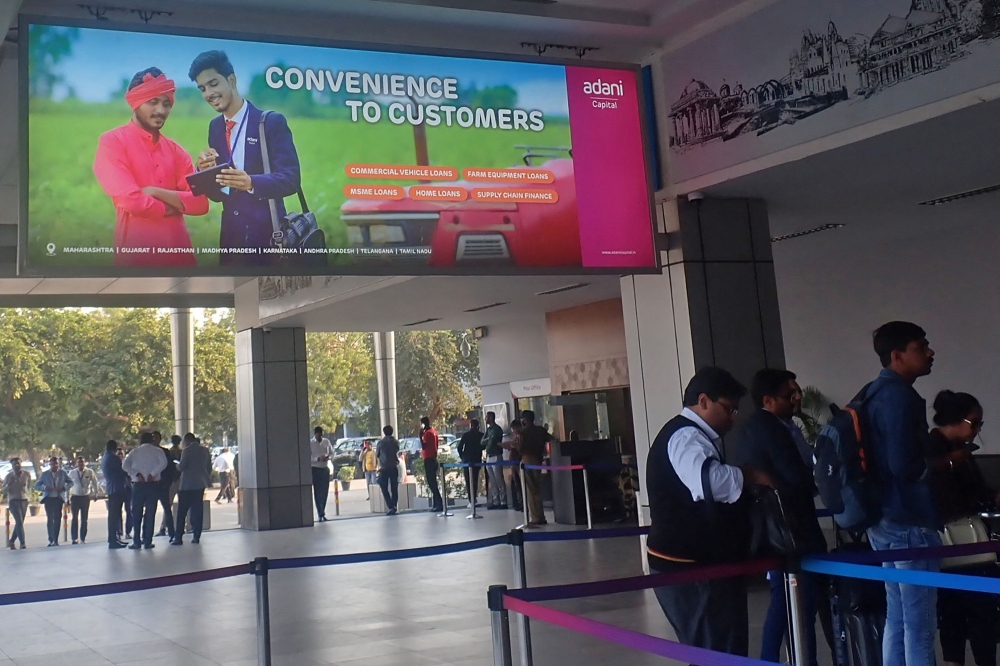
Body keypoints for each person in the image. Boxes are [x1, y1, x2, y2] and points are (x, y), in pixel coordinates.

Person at [646, 367, 774, 658]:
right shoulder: (686, 437)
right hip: (689, 566)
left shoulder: (687, 434)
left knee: (715, 648)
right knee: (716, 650)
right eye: (728, 409)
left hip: (691, 562)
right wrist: (749, 476)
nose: (732, 418)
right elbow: (709, 483)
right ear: (703, 401)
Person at [736, 369, 827, 666]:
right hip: (789, 529)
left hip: (783, 527)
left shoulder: (771, 425)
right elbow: (794, 476)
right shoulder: (770, 429)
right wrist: (818, 479)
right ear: (769, 400)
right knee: (796, 602)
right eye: (791, 394)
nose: (798, 397)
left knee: (788, 601)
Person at [865, 321, 939, 666]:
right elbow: (903, 464)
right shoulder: (900, 396)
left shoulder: (871, 393)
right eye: (921, 347)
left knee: (898, 616)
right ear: (897, 356)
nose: (930, 352)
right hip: (908, 517)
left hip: (882, 517)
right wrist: (944, 463)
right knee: (920, 623)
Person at [188, 50, 302, 265]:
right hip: (231, 239)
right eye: (202, 88)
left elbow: (291, 179)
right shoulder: (215, 127)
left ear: (231, 80)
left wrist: (251, 182)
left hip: (270, 238)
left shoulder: (270, 122)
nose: (208, 93)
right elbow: (219, 194)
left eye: (213, 84)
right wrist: (204, 171)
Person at [92, 67, 208, 267]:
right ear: (136, 103)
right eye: (152, 102)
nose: (161, 111)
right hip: (136, 258)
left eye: (166, 104)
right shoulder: (113, 142)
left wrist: (154, 191)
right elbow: (130, 200)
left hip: (180, 260)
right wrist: (175, 206)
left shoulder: (177, 151)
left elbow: (201, 204)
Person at [929, 390, 1000, 666]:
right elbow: (952, 498)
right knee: (967, 611)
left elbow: (978, 492)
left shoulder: (958, 453)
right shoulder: (937, 452)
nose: (978, 430)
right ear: (956, 420)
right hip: (957, 539)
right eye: (975, 423)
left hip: (966, 536)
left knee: (961, 612)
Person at [122, 432, 168, 550]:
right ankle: (147, 541)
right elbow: (164, 463)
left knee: (137, 513)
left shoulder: (135, 452)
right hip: (153, 484)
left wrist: (136, 474)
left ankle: (136, 541)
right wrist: (153, 473)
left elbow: (125, 465)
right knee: (150, 513)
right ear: (152, 440)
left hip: (138, 485)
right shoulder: (158, 451)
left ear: (140, 440)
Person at [174, 433, 212, 545]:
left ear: (187, 440)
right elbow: (208, 467)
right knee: (197, 511)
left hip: (186, 485)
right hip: (200, 484)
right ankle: (196, 536)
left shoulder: (187, 450)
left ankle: (178, 538)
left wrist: (176, 465)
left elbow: (182, 467)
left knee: (182, 512)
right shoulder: (205, 450)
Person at [518, 410, 552, 527]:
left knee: (530, 489)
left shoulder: (523, 432)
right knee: (538, 488)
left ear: (526, 419)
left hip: (527, 460)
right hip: (538, 459)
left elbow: (520, 448)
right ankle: (541, 516)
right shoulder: (541, 430)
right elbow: (551, 439)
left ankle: (535, 517)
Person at [35, 457, 71, 547]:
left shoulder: (62, 473)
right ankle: (51, 539)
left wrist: (64, 488)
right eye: (52, 464)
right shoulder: (45, 474)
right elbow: (37, 485)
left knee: (58, 519)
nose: (54, 466)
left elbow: (71, 482)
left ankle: (56, 539)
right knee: (50, 519)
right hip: (49, 499)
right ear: (49, 465)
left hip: (58, 498)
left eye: (56, 464)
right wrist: (44, 488)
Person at [102, 441, 129, 549]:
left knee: (114, 515)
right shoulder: (113, 458)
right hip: (116, 488)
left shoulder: (105, 457)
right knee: (114, 515)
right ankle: (113, 539)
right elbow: (122, 471)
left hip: (111, 488)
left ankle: (114, 538)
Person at [67, 455, 98, 545]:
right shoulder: (72, 473)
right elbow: (68, 485)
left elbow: (95, 482)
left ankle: (83, 538)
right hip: (75, 497)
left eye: (82, 462)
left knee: (84, 519)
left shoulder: (89, 472)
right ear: (76, 463)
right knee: (75, 518)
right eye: (79, 462)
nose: (81, 464)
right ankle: (74, 538)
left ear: (85, 463)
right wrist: (67, 498)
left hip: (85, 497)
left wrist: (95, 493)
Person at [3, 457, 31, 549]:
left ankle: (11, 541)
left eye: (18, 463)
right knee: (19, 521)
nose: (17, 465)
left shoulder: (27, 474)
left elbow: (29, 486)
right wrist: (9, 484)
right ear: (12, 466)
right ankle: (22, 543)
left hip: (24, 500)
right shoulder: (8, 476)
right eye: (15, 464)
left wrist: (27, 496)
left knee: (20, 522)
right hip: (13, 501)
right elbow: (3, 490)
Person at [157, 435, 182, 537]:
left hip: (172, 481)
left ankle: (163, 527)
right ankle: (181, 526)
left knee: (168, 505)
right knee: (181, 505)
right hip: (181, 479)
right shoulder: (182, 452)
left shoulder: (169, 452)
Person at [458, 419, 485, 508]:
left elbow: (459, 447)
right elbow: (483, 447)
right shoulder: (481, 435)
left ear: (471, 425)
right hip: (476, 459)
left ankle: (471, 500)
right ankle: (474, 497)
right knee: (475, 479)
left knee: (468, 480)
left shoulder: (466, 435)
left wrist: (463, 457)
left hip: (467, 460)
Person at [483, 412, 508, 510]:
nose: (485, 419)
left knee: (499, 479)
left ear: (491, 418)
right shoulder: (488, 430)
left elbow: (492, 441)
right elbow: (482, 441)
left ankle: (503, 501)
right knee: (492, 481)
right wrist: (487, 440)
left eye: (487, 417)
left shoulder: (497, 429)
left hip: (496, 455)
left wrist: (488, 440)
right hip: (488, 456)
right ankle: (496, 501)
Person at [310, 427, 335, 522]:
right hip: (315, 469)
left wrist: (328, 457)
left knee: (324, 492)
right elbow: (308, 457)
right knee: (317, 492)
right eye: (319, 435)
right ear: (315, 434)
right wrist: (317, 459)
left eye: (322, 435)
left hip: (325, 468)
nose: (320, 436)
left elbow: (332, 453)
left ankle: (322, 511)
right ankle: (320, 512)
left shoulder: (326, 442)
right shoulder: (311, 443)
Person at [420, 417, 444, 513]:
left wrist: (420, 436)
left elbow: (424, 446)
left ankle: (439, 503)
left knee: (432, 483)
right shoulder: (434, 432)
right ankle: (436, 504)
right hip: (433, 458)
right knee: (434, 482)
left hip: (429, 459)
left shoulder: (427, 434)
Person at [377, 426, 400, 515]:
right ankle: (394, 505)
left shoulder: (381, 443)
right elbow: (397, 451)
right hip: (394, 467)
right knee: (394, 487)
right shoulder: (396, 442)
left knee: (383, 486)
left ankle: (390, 505)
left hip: (384, 468)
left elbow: (378, 455)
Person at [504, 420, 524, 512]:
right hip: (513, 462)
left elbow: (519, 448)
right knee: (516, 484)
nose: (514, 430)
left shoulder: (520, 436)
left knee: (520, 483)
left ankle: (523, 503)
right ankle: (520, 502)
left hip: (517, 462)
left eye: (514, 429)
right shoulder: (515, 436)